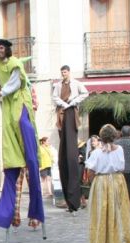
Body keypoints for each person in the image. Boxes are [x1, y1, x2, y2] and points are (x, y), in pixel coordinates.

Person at [0, 38, 45, 230]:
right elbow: (0, 79)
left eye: (2, 48)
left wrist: (0, 93)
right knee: (16, 179)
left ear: (7, 49)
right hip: (9, 109)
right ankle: (15, 216)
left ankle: (34, 217)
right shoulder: (0, 64)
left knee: (30, 171)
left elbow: (12, 84)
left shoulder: (15, 65)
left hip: (18, 104)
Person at [85, 125, 130, 243]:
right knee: (117, 213)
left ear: (101, 137)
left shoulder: (96, 152)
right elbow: (122, 167)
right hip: (117, 180)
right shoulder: (119, 149)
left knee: (100, 214)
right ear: (115, 136)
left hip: (101, 181)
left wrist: (93, 184)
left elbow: (90, 170)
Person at [52, 65, 89, 214]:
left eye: (65, 72)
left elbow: (85, 93)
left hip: (71, 108)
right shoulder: (58, 85)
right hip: (62, 109)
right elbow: (54, 97)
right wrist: (63, 103)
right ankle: (70, 202)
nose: (63, 74)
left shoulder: (76, 83)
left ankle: (74, 202)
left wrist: (73, 102)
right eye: (62, 72)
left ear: (69, 72)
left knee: (70, 139)